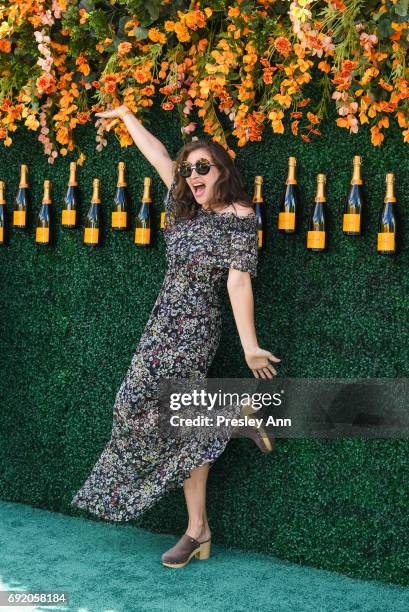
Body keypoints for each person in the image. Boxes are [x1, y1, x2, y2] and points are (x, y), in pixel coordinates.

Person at [70, 104, 281, 569]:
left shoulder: (241, 216)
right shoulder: (181, 200)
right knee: (134, 405)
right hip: (161, 319)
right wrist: (127, 116)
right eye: (189, 171)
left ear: (223, 170)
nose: (192, 176)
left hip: (195, 326)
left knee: (179, 412)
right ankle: (228, 427)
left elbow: (238, 280)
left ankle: (195, 528)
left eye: (202, 168)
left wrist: (248, 345)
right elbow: (158, 154)